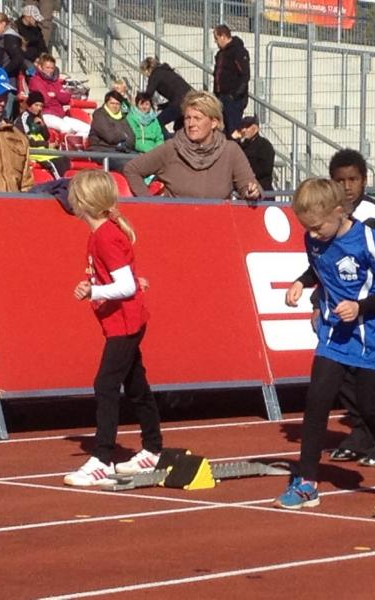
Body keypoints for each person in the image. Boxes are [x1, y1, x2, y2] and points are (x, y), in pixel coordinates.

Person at [275, 178, 375, 509]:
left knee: (372, 408)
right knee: (317, 401)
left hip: (373, 333)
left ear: (339, 212)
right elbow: (320, 266)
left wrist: (360, 307)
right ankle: (307, 482)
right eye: (307, 228)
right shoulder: (315, 238)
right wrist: (301, 282)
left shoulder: (368, 239)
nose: (313, 234)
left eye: (318, 227)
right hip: (335, 332)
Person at [63, 170, 163, 486]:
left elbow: (125, 285)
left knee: (105, 385)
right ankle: (152, 448)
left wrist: (94, 291)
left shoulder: (105, 236)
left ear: (83, 202)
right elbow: (124, 278)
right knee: (136, 385)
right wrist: (97, 286)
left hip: (125, 323)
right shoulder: (103, 234)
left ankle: (102, 459)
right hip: (122, 321)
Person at [123, 90, 260, 199]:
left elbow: (248, 184)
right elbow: (132, 169)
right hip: (176, 222)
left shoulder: (230, 151)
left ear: (214, 122)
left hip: (217, 222)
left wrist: (251, 192)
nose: (191, 124)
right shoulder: (171, 148)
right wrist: (150, 204)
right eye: (187, 118)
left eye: (197, 118)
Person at [0, 64, 33, 192]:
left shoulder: (18, 137)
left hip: (14, 203)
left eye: (5, 95)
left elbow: (26, 185)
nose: (2, 102)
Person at [28, 53, 90, 137]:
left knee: (88, 129)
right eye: (47, 67)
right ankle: (69, 143)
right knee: (66, 128)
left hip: (61, 115)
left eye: (52, 68)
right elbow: (45, 100)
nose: (50, 70)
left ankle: (74, 143)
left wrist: (55, 95)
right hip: (46, 114)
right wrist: (58, 96)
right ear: (40, 67)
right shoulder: (35, 81)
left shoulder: (56, 82)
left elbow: (66, 98)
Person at [14, 90, 69, 177]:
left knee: (64, 158)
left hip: (42, 148)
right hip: (31, 150)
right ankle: (60, 181)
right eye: (36, 105)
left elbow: (46, 136)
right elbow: (25, 140)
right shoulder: (24, 117)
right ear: (30, 105)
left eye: (41, 106)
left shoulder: (39, 117)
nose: (39, 108)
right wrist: (46, 145)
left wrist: (42, 126)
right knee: (55, 162)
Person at [212, 24, 249, 136]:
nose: (215, 42)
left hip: (233, 100)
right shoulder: (220, 54)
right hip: (221, 97)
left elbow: (245, 76)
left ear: (223, 36)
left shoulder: (238, 51)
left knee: (233, 131)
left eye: (216, 38)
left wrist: (234, 96)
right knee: (221, 131)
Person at [139, 57, 193, 134]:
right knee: (178, 127)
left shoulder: (155, 74)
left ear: (147, 70)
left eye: (144, 73)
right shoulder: (166, 71)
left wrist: (139, 100)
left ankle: (164, 139)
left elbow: (148, 94)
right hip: (189, 99)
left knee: (157, 123)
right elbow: (176, 93)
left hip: (180, 103)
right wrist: (163, 106)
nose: (146, 76)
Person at [87, 90, 135, 172]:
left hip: (122, 150)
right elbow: (110, 136)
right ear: (106, 103)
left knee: (142, 160)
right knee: (127, 165)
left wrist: (125, 140)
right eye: (112, 103)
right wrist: (124, 136)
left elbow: (132, 138)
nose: (115, 106)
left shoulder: (122, 117)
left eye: (117, 104)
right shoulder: (99, 115)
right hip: (101, 150)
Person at [0, 12, 24, 121]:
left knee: (3, 118)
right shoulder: (2, 38)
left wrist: (2, 74)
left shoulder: (10, 37)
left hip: (6, 85)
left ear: (3, 23)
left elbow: (18, 59)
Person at [232, 115, 274, 192]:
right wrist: (234, 139)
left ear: (255, 128)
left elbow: (265, 169)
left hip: (261, 189)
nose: (243, 130)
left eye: (247, 127)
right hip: (244, 189)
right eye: (242, 127)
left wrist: (246, 173)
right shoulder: (242, 145)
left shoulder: (264, 145)